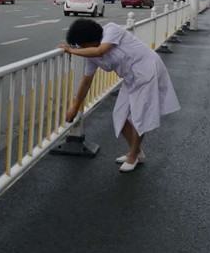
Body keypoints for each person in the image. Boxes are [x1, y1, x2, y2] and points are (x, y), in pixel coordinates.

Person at [59, 19, 180, 172]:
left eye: (81, 45)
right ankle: (136, 152)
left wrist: (70, 51)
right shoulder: (91, 56)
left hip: (147, 70)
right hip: (130, 77)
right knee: (120, 116)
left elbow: (100, 51)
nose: (81, 49)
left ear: (89, 39)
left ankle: (133, 155)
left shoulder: (111, 30)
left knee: (139, 116)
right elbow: (86, 82)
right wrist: (75, 107)